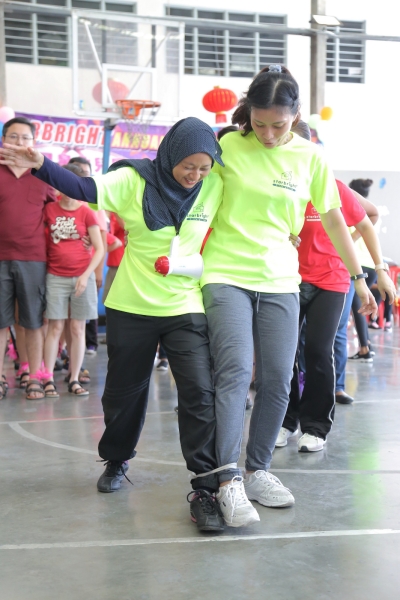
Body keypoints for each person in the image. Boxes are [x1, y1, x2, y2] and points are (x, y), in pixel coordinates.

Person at [0, 117, 227, 533]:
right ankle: (118, 458)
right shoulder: (131, 179)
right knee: (124, 393)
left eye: (203, 168)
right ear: (169, 155)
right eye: (187, 167)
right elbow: (84, 190)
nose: (195, 176)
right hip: (131, 305)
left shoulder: (215, 183)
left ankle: (205, 486)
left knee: (199, 391)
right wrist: (40, 163)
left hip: (184, 303)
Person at [201, 65, 377, 528]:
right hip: (225, 272)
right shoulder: (227, 147)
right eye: (259, 123)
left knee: (279, 377)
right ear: (248, 115)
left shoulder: (310, 157)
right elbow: (197, 201)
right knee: (237, 370)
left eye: (278, 124)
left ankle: (258, 469)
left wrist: (360, 278)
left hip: (281, 277)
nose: (268, 133)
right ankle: (228, 479)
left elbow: (336, 219)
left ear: (295, 115)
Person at [275, 124, 394, 450]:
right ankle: (286, 421)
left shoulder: (332, 185)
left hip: (332, 280)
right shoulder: (280, 185)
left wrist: (378, 269)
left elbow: (366, 221)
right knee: (285, 355)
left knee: (317, 351)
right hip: (288, 279)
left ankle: (316, 427)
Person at [0, 117, 57, 401]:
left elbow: (61, 214)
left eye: (25, 137)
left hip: (34, 260)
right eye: (13, 136)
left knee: (33, 322)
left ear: (33, 143)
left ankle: (34, 376)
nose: (19, 142)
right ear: (3, 139)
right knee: (0, 322)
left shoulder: (43, 175)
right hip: (0, 259)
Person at [41, 163, 104, 398]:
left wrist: (86, 276)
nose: (68, 189)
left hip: (81, 277)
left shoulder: (87, 212)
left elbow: (99, 248)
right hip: (55, 276)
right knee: (55, 327)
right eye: (64, 183)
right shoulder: (49, 210)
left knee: (77, 329)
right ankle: (46, 377)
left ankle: (74, 377)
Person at [68, 156, 107, 356]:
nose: (82, 178)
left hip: (86, 268)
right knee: (60, 321)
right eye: (77, 173)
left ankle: (84, 354)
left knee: (81, 321)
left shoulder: (93, 204)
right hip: (60, 271)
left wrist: (98, 272)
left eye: (85, 173)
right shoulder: (59, 201)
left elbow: (102, 239)